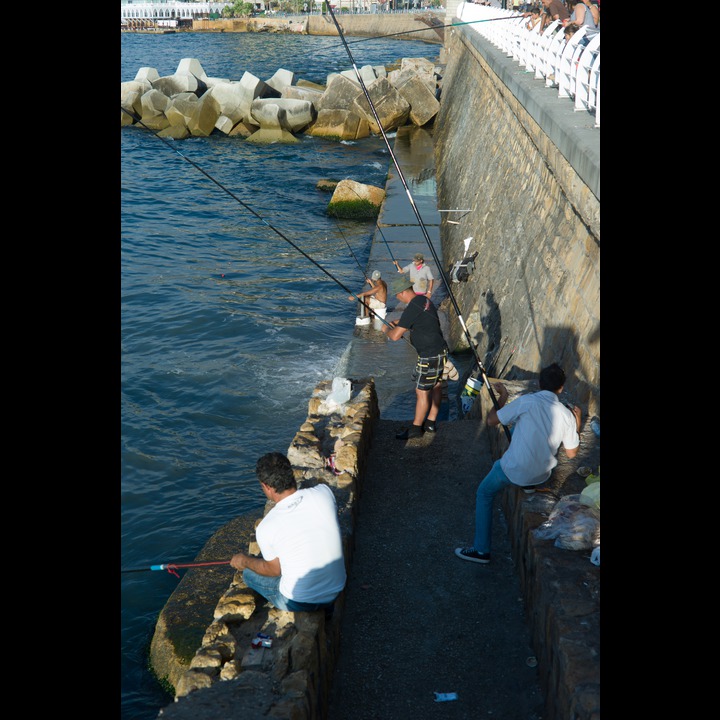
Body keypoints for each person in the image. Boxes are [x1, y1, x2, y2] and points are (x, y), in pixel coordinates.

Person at [454, 363, 582, 564]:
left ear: (539, 384)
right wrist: (577, 422)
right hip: (542, 474)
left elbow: (491, 421)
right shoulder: (566, 414)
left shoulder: (526, 401)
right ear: (561, 388)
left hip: (513, 470)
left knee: (484, 493)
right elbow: (572, 453)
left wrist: (503, 396)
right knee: (520, 430)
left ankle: (481, 550)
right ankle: (529, 486)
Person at [230, 452, 347, 612]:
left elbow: (274, 570)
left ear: (267, 487)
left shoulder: (267, 526)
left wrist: (244, 561)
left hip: (300, 601)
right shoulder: (324, 493)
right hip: (336, 589)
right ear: (291, 474)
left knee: (248, 575)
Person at [382, 274, 449, 439]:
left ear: (403, 292)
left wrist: (386, 330)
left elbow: (396, 336)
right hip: (441, 351)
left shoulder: (412, 307)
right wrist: (401, 321)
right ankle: (431, 423)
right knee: (437, 386)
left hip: (429, 356)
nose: (397, 298)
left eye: (397, 295)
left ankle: (415, 429)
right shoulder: (424, 301)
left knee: (421, 392)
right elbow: (420, 320)